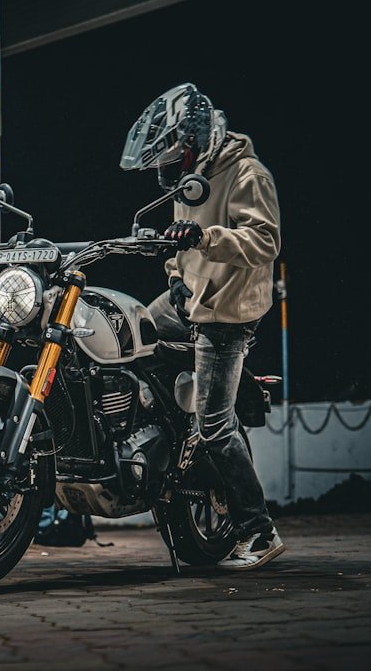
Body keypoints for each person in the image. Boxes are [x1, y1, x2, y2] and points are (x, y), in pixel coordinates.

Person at [119, 82, 285, 571]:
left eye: (178, 153)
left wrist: (206, 236)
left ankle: (259, 530)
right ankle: (160, 424)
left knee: (213, 427)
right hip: (191, 298)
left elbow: (264, 241)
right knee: (136, 327)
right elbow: (179, 245)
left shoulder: (247, 174)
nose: (171, 166)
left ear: (200, 136)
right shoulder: (188, 177)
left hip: (228, 310)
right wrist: (174, 277)